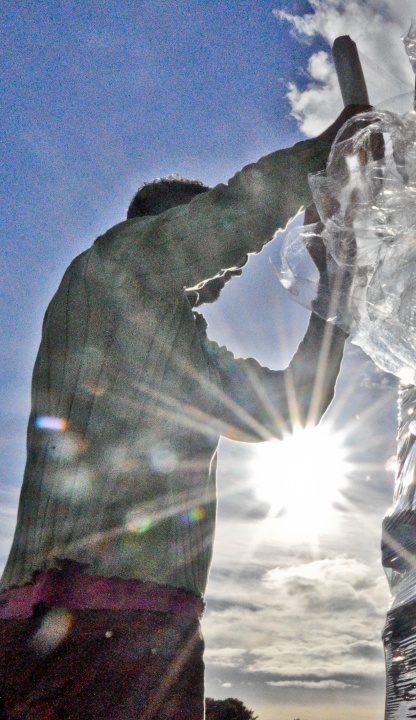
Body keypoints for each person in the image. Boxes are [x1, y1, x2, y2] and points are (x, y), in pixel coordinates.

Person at [0, 103, 368, 720]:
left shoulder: (189, 353)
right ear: (160, 227)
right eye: (208, 247)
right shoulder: (112, 267)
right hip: (72, 617)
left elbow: (287, 411)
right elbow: (218, 228)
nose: (233, 269)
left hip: (154, 629)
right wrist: (323, 154)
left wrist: (335, 292)